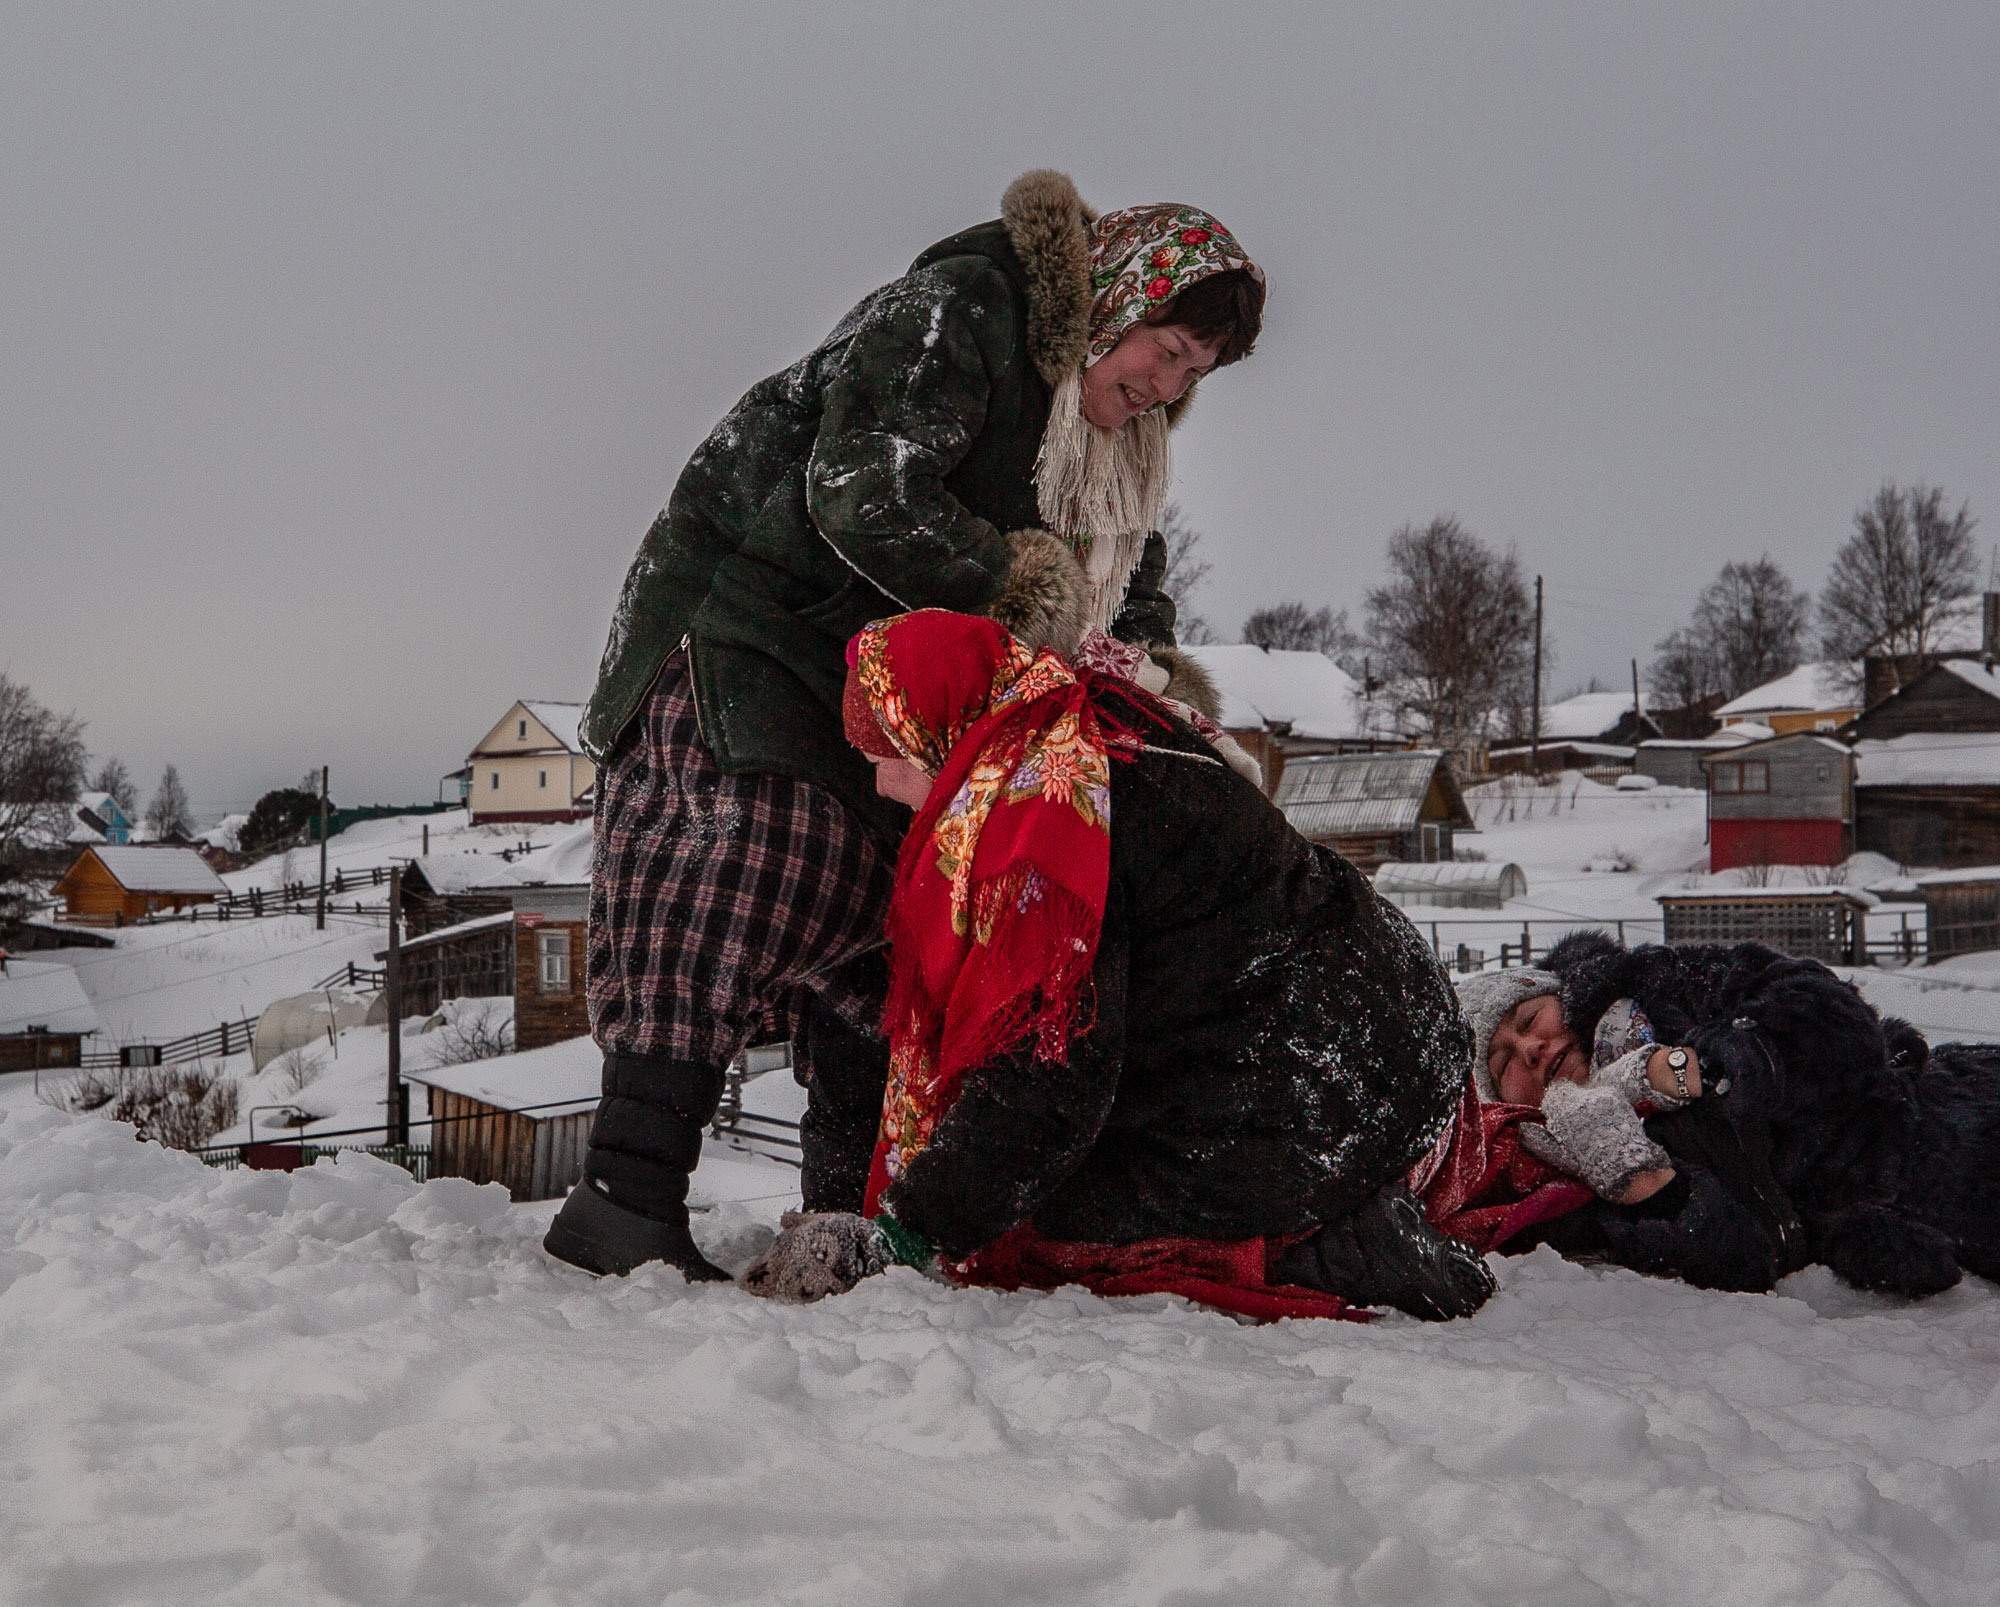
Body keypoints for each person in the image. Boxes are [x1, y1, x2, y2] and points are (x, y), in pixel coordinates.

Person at [545, 171, 1268, 1279]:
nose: (1164, 383)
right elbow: (859, 487)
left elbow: (1128, 597)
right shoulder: (964, 309)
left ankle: (849, 1208)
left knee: (905, 924)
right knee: (737, 863)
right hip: (753, 627)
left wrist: (1149, 681)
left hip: (891, 694)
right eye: (1162, 347)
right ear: (1117, 302)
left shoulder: (1112, 461)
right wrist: (1015, 586)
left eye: (1190, 373)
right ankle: (623, 1200)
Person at [739, 609, 1495, 1321]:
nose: (881, 785)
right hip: (1400, 1038)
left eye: (886, 758)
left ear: (936, 729)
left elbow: (1049, 1075)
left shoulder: (1044, 816)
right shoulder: (1076, 722)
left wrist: (911, 1234)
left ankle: (1322, 1239)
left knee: (1044, 1223)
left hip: (1324, 1091)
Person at [1448, 935, 2000, 1299]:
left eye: (1528, 1018)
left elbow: (1824, 1004)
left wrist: (1733, 1061)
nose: (1532, 1048)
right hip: (1939, 1223)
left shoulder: (1659, 982)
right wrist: (1640, 1181)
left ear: (1555, 993)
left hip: (1952, 1101)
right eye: (1502, 1060)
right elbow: (1738, 1256)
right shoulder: (1558, 1186)